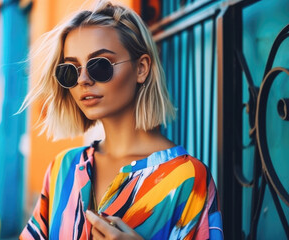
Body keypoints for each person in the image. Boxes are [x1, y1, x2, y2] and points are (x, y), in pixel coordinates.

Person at [19, 0, 223, 239]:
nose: (83, 79)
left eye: (100, 65)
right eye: (71, 70)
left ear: (141, 68)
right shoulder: (63, 168)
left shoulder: (187, 178)